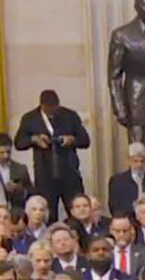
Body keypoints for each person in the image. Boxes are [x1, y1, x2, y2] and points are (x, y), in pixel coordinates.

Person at [13, 89, 89, 219]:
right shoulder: (30, 118)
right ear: (41, 105)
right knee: (48, 214)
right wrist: (34, 139)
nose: (53, 111)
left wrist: (71, 140)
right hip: (45, 174)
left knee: (76, 212)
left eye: (55, 107)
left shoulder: (69, 115)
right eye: (49, 108)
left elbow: (85, 141)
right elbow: (19, 143)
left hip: (69, 172)